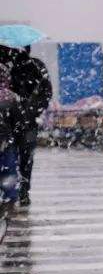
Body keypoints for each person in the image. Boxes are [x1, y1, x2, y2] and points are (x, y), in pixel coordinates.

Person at [11, 46, 52, 206]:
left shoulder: (9, 67)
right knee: (26, 158)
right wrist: (35, 111)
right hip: (28, 122)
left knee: (13, 156)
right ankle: (22, 189)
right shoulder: (37, 65)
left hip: (13, 122)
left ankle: (15, 189)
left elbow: (46, 92)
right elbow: (47, 93)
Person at [0, 46, 22, 225]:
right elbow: (18, 121)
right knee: (8, 170)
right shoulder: (10, 97)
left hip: (5, 139)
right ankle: (9, 199)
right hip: (6, 141)